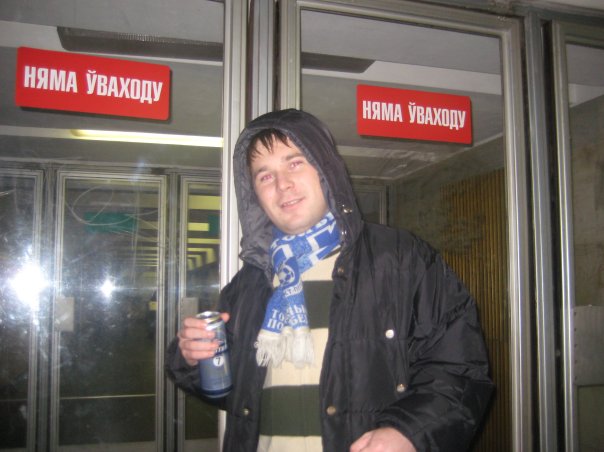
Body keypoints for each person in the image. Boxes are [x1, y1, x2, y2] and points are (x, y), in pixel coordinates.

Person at [166, 109, 493, 452]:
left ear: (325, 168)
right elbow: (234, 393)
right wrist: (194, 359)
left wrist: (409, 432)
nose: (282, 184)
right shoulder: (249, 283)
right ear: (254, 194)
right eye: (265, 175)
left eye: (295, 163)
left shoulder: (401, 259)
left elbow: (460, 369)